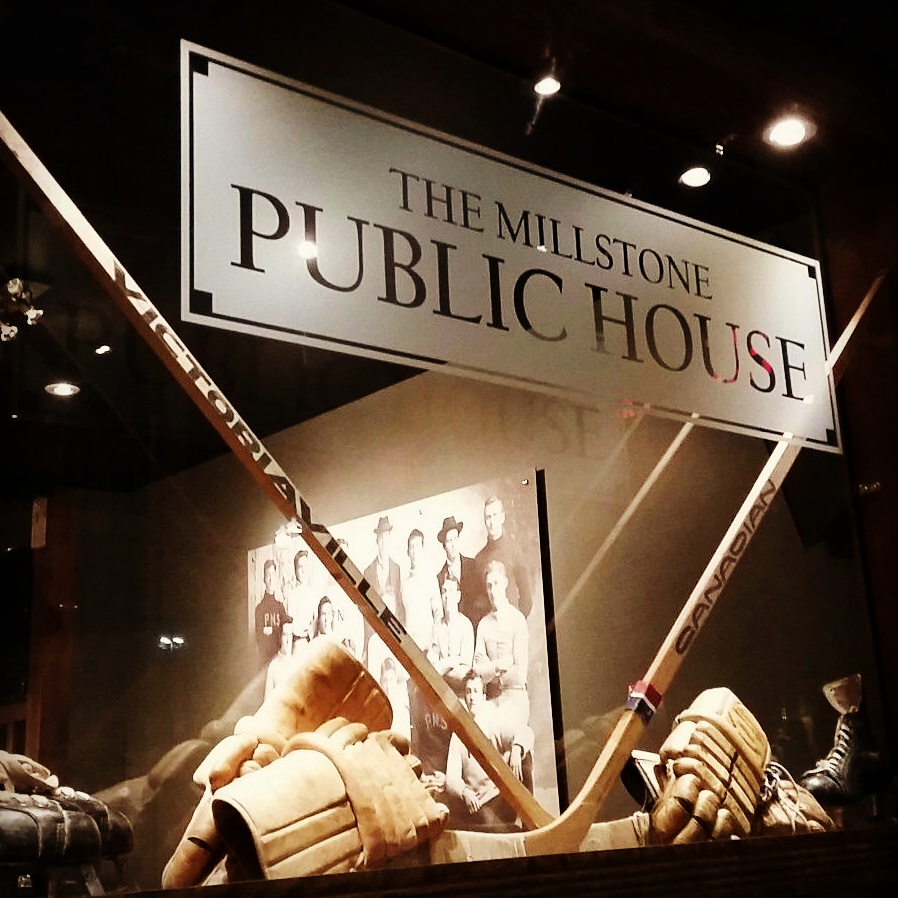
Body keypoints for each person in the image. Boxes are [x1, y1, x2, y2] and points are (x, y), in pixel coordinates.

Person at [445, 670, 534, 831]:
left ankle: (531, 826)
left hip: (500, 799)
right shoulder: (458, 734)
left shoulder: (494, 720)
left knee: (524, 756)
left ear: (483, 696)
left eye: (476, 691)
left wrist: (516, 749)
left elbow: (525, 732)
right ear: (465, 697)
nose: (472, 697)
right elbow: (451, 778)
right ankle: (503, 832)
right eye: (468, 691)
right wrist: (464, 791)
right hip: (477, 806)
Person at [473, 560, 530, 729]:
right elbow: (477, 672)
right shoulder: (483, 624)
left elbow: (520, 674)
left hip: (515, 697)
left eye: (496, 584)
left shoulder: (517, 619)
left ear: (505, 583)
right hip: (491, 701)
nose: (492, 591)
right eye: (489, 585)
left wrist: (490, 672)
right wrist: (499, 665)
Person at [473, 496, 533, 618]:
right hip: (489, 625)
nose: (492, 521)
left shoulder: (514, 550)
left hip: (511, 623)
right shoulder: (479, 559)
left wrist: (517, 621)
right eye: (488, 517)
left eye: (495, 515)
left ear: (502, 517)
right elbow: (478, 601)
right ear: (484, 521)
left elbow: (526, 597)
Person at [362, 516, 402, 661]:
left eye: (387, 537)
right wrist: (368, 642)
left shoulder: (397, 569)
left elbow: (399, 605)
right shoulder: (368, 572)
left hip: (394, 636)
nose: (384, 542)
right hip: (375, 637)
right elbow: (366, 610)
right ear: (377, 540)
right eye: (381, 537)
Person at [435, 515, 483, 631]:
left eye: (455, 538)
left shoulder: (473, 566)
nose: (453, 544)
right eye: (449, 541)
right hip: (453, 634)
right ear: (444, 546)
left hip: (475, 629)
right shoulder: (440, 578)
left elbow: (482, 600)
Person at [427, 576, 475, 693]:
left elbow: (464, 672)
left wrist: (441, 667)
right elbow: (431, 669)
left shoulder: (466, 625)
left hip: (461, 691)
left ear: (458, 596)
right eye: (444, 591)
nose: (447, 596)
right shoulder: (437, 626)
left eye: (451, 591)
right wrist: (453, 660)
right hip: (439, 691)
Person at [399, 528, 440, 650]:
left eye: (417, 546)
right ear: (408, 552)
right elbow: (401, 616)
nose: (415, 551)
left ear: (422, 549)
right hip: (410, 646)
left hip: (428, 645)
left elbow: (438, 613)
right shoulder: (404, 585)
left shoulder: (431, 579)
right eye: (412, 547)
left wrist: (434, 643)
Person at [254, 558, 287, 665]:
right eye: (268, 575)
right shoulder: (259, 609)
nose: (271, 579)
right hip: (265, 660)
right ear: (264, 579)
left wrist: (272, 631)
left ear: (276, 577)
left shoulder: (280, 607)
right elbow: (259, 638)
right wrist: (275, 631)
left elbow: (285, 633)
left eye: (273, 574)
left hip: (279, 659)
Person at [283, 549, 317, 646]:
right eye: (300, 567)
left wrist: (311, 632)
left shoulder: (313, 593)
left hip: (311, 641)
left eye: (305, 566)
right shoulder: (291, 596)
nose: (303, 570)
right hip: (297, 641)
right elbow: (292, 626)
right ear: (295, 570)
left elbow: (316, 619)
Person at [264, 619, 297, 698]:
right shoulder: (273, 666)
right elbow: (267, 700)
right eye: (285, 635)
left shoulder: (296, 665)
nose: (288, 640)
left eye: (290, 635)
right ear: (280, 637)